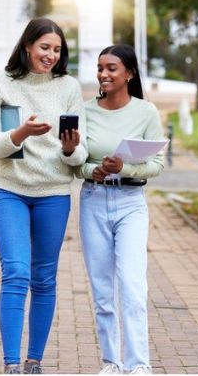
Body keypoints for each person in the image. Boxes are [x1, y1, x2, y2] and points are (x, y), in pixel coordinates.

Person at [0, 18, 87, 374]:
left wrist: (72, 149)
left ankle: (34, 362)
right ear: (27, 46)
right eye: (44, 47)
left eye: (57, 49)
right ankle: (11, 364)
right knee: (16, 273)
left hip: (53, 193)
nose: (51, 55)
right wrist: (21, 132)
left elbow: (79, 155)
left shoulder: (68, 87)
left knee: (44, 278)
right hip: (9, 190)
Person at [77, 44, 165, 374]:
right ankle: (111, 363)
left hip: (131, 204)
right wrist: (93, 170)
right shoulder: (86, 111)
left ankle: (138, 366)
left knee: (132, 287)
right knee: (102, 291)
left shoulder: (146, 112)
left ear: (129, 73)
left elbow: (156, 164)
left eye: (111, 68)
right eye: (100, 67)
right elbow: (75, 163)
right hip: (93, 201)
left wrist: (123, 169)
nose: (103, 74)